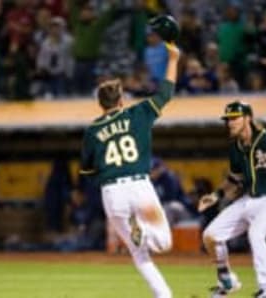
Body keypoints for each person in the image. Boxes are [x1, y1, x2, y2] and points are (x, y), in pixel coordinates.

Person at [79, 35, 180, 298]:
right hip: (140, 188)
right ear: (121, 100)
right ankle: (143, 231)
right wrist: (173, 60)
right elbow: (166, 92)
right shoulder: (138, 113)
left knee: (139, 253)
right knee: (165, 243)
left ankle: (163, 295)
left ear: (101, 104)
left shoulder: (92, 131)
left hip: (112, 193)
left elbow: (88, 172)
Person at [198, 101, 266, 298]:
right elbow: (235, 179)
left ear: (248, 118)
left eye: (235, 118)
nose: (230, 122)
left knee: (256, 235)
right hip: (248, 200)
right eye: (228, 119)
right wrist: (216, 195)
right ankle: (227, 281)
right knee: (210, 235)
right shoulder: (236, 147)